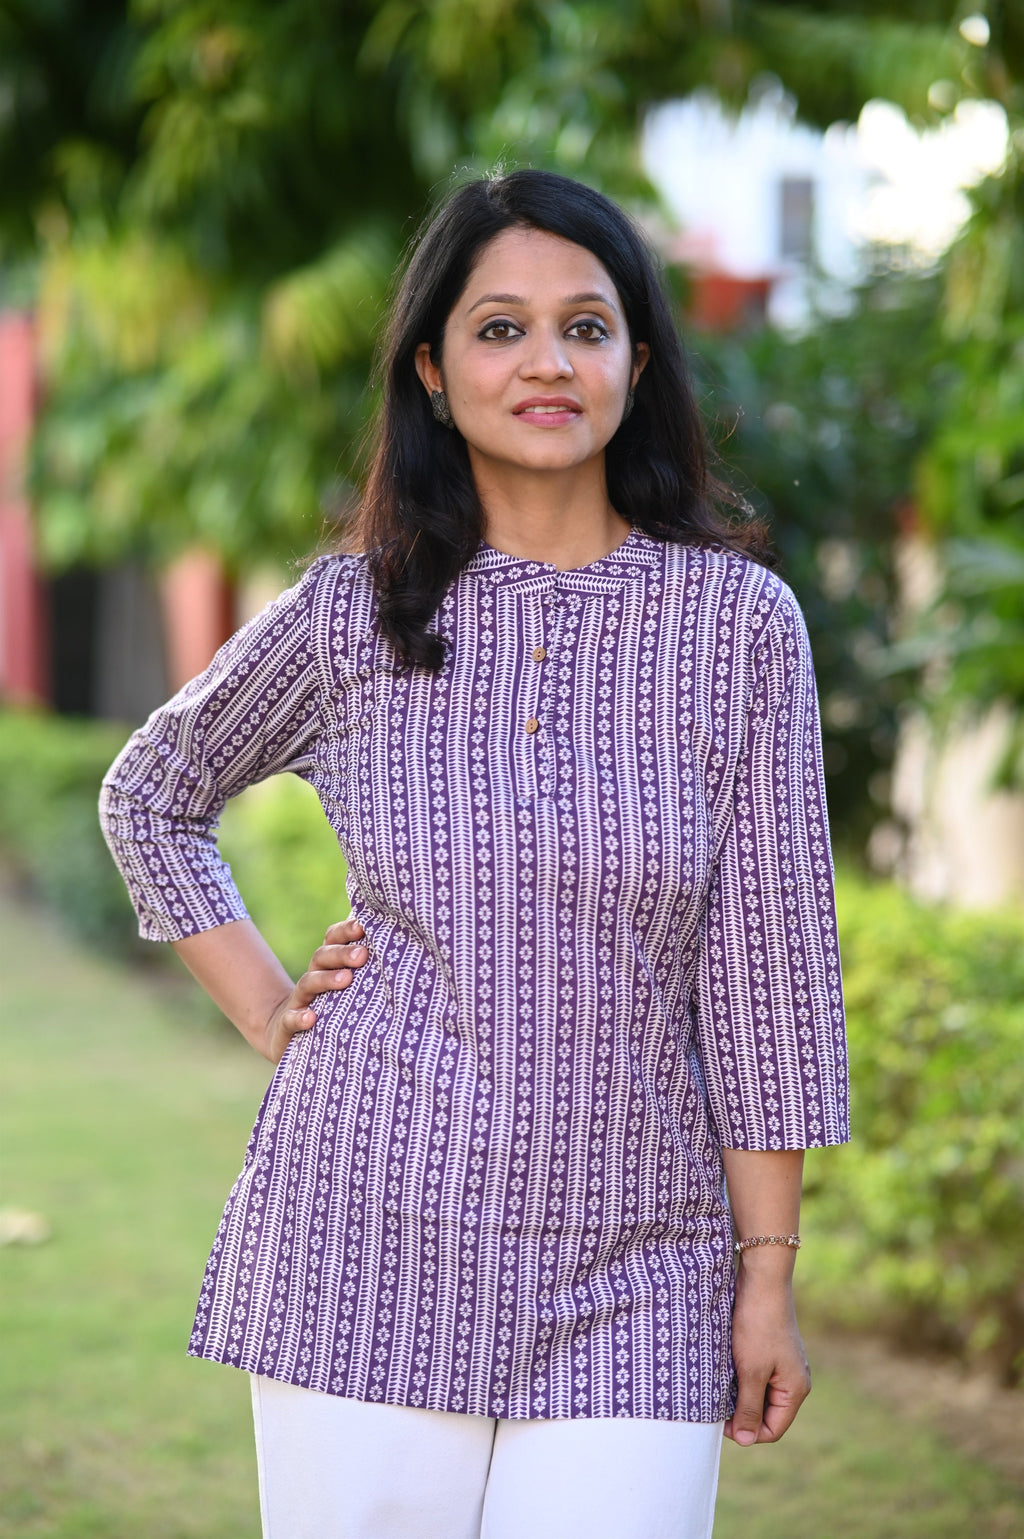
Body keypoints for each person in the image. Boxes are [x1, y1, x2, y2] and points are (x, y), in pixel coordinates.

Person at [100, 168, 849, 1539]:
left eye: (587, 324)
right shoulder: (358, 614)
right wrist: (269, 1004)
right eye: (501, 329)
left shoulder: (739, 628)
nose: (549, 360)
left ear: (636, 361)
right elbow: (152, 791)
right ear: (435, 374)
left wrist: (766, 1279)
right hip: (368, 1239)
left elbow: (772, 982)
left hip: (645, 1268)